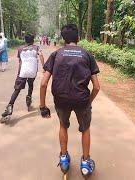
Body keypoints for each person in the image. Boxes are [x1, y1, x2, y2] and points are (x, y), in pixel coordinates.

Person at [39, 24, 100, 176]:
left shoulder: (56, 54)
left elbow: (43, 83)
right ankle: (86, 164)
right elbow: (97, 87)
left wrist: (42, 106)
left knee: (62, 125)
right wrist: (88, 101)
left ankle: (64, 159)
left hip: (61, 100)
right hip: (82, 100)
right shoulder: (87, 55)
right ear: (78, 38)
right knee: (85, 129)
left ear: (63, 39)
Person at [1, 34, 45, 120]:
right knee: (30, 83)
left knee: (17, 89)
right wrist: (44, 67)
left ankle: (10, 105)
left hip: (23, 71)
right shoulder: (36, 47)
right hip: (32, 70)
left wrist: (19, 74)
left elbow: (20, 62)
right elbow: (41, 56)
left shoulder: (20, 49)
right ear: (33, 40)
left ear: (25, 40)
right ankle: (29, 97)